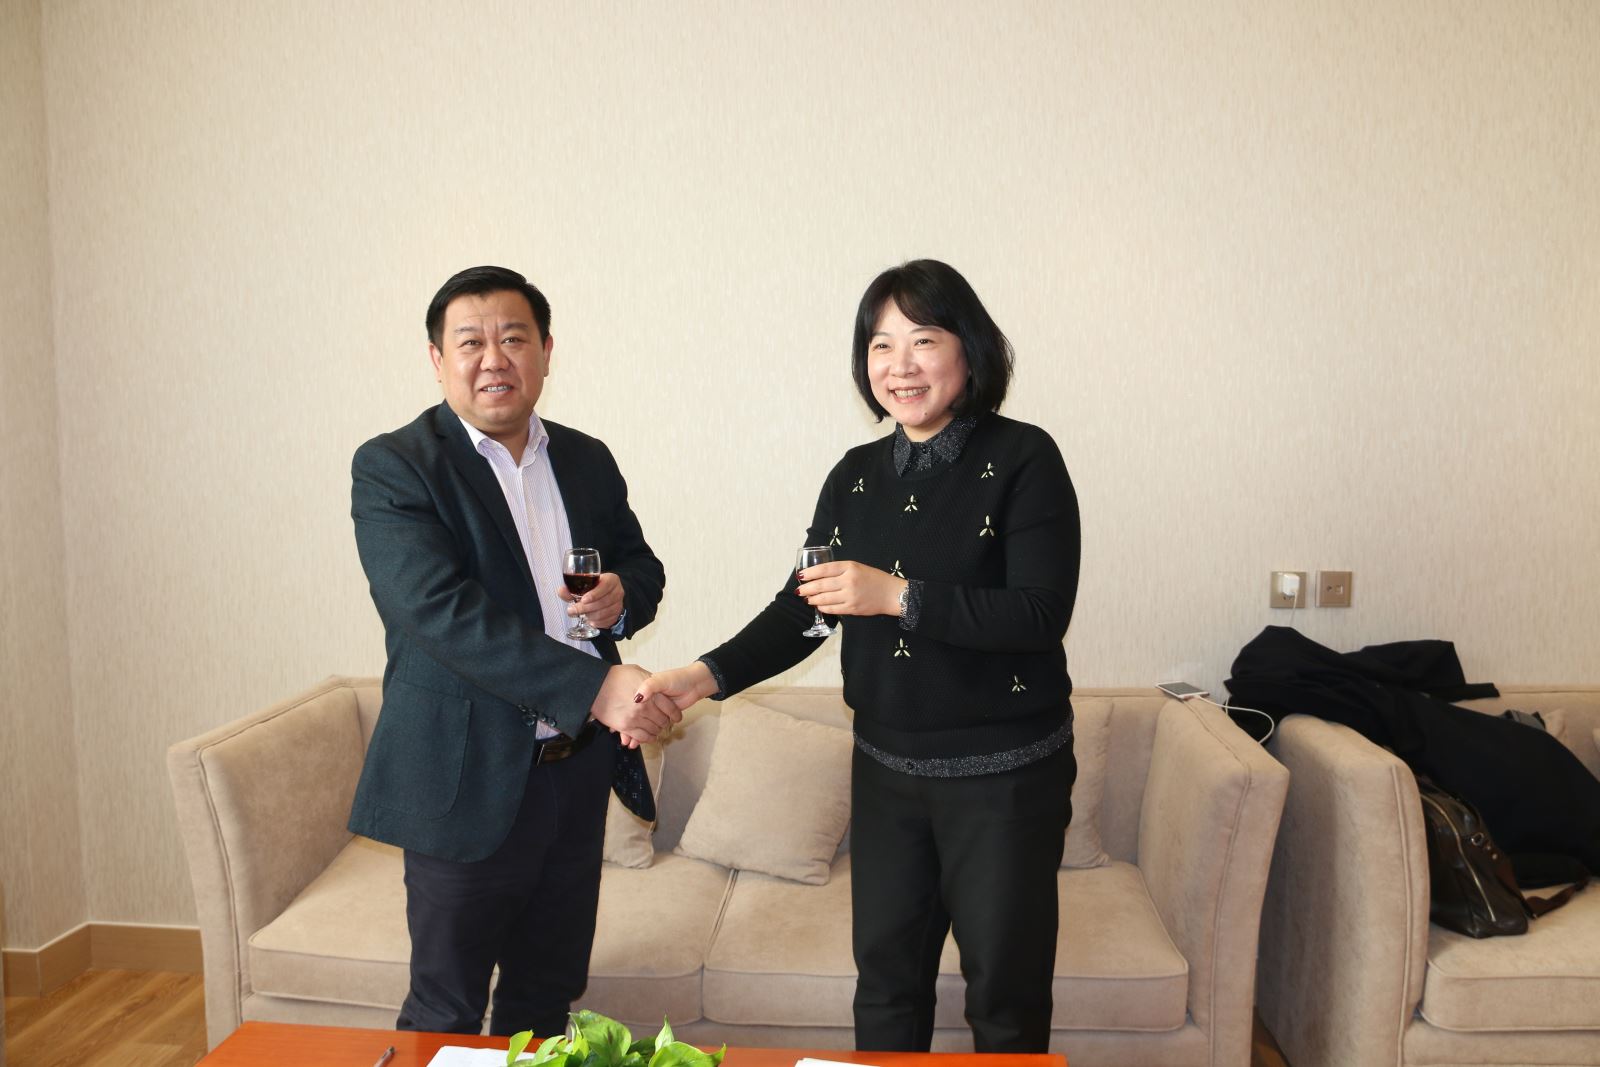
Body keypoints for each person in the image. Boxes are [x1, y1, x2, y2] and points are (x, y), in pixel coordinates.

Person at [638, 259, 1080, 1052]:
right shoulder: (854, 476)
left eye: (923, 339)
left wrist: (899, 595)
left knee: (1005, 999)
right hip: (886, 772)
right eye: (881, 345)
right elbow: (804, 611)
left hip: (1004, 776)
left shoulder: (1025, 458)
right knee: (884, 987)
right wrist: (698, 677)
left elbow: (1040, 615)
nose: (900, 365)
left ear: (969, 349)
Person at [348, 265, 678, 1038]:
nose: (493, 358)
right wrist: (595, 686)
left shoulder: (586, 458)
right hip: (463, 774)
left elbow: (644, 566)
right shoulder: (396, 466)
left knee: (545, 999)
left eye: (513, 338)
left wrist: (623, 593)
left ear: (546, 351)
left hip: (574, 771)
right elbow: (439, 612)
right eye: (470, 341)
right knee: (446, 1008)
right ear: (438, 359)